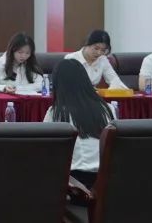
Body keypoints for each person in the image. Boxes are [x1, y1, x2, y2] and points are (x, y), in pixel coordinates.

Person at [43, 60, 113, 189]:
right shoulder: (108, 108)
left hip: (74, 183)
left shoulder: (55, 112)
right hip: (106, 181)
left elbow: (46, 148)